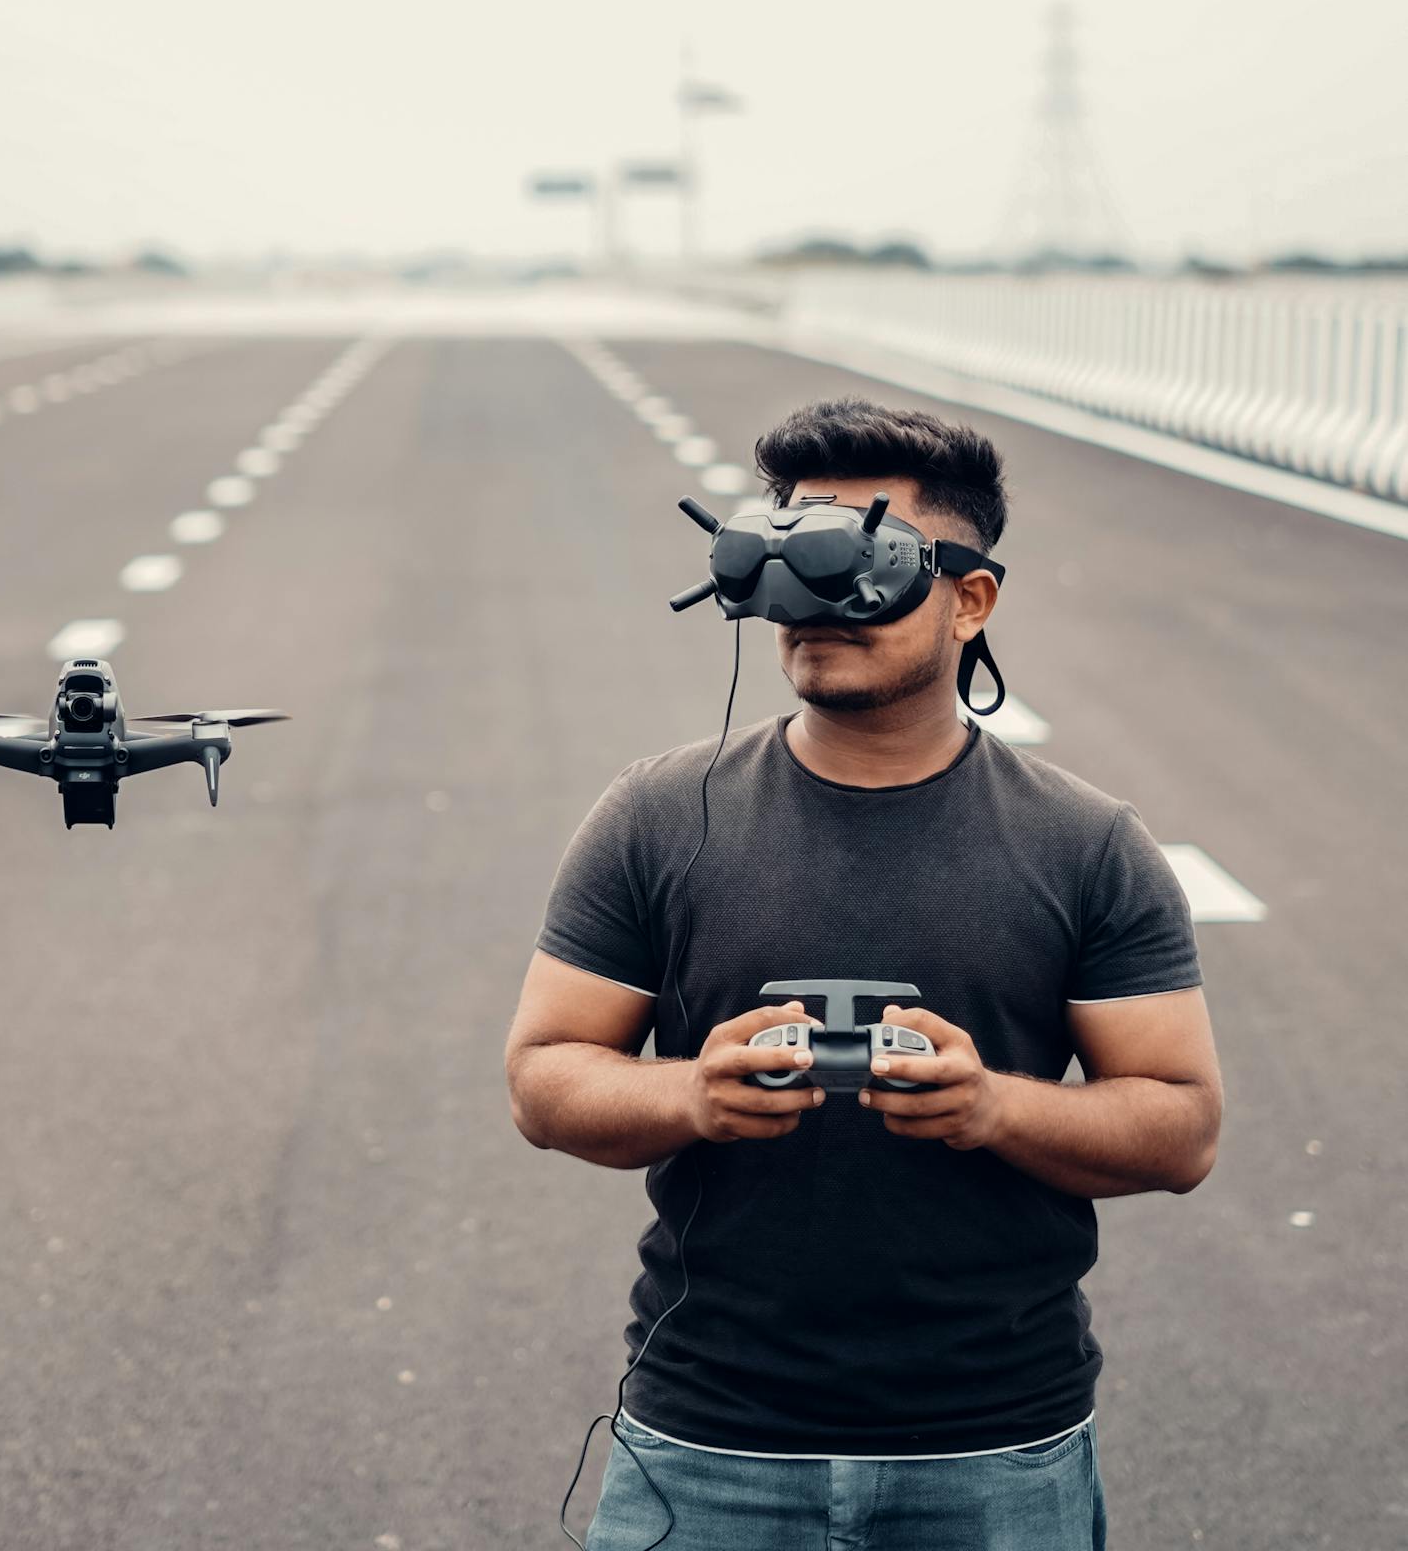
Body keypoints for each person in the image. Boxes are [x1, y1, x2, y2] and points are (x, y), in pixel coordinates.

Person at [505, 397, 1222, 1550]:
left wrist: (994, 1108)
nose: (813, 601)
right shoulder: (653, 817)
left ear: (972, 597)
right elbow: (545, 1076)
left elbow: (1181, 1126)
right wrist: (690, 1094)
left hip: (994, 1446)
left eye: (860, 560)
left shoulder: (1086, 844)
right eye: (785, 557)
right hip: (710, 1440)